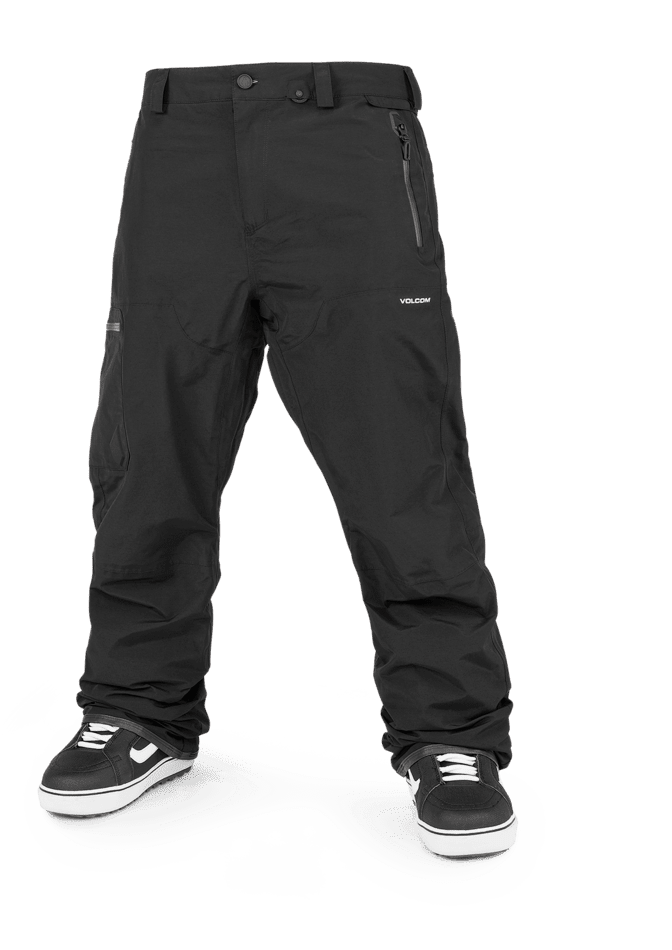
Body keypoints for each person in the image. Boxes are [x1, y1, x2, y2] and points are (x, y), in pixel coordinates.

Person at [38, 61, 516, 858]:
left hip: (350, 137)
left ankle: (448, 732)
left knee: (400, 458)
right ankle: (137, 707)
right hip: (181, 137)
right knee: (150, 446)